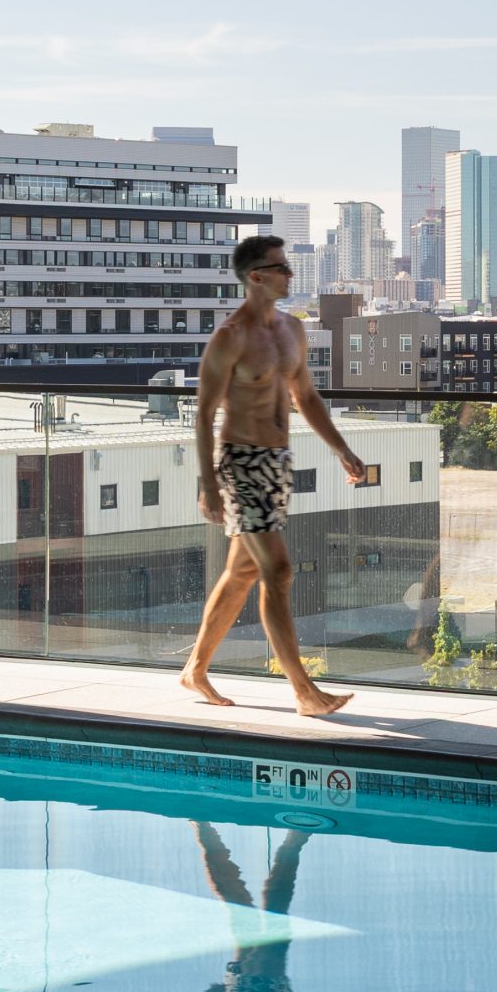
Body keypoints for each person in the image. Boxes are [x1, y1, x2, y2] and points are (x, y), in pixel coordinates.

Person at [179, 234, 369, 715]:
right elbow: (203, 415)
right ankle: (305, 692)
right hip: (240, 465)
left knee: (241, 572)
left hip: (279, 464)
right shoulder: (230, 338)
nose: (290, 274)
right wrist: (208, 484)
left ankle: (195, 670)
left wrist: (341, 449)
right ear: (256, 276)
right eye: (281, 268)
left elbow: (305, 397)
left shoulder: (292, 330)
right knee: (278, 571)